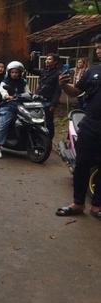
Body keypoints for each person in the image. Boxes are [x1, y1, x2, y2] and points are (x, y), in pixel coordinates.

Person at [56, 34, 101, 220]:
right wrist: (64, 85)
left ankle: (97, 206)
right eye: (97, 48)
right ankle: (78, 203)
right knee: (82, 163)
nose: (98, 51)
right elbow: (76, 91)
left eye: (100, 47)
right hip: (91, 124)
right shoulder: (93, 71)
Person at [0, 61, 27, 159]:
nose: (15, 74)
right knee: (4, 124)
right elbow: (2, 91)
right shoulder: (5, 82)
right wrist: (7, 96)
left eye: (17, 72)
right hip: (8, 105)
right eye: (13, 72)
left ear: (20, 73)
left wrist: (31, 96)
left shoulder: (23, 82)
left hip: (21, 105)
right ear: (9, 72)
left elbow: (28, 91)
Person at [29, 52, 61, 138]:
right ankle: (37, 138)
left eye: (49, 59)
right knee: (36, 119)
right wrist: (32, 59)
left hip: (48, 101)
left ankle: (49, 139)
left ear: (55, 62)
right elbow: (30, 69)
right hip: (38, 100)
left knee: (48, 121)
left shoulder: (58, 73)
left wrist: (53, 104)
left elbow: (58, 90)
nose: (47, 61)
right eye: (47, 59)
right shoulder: (44, 71)